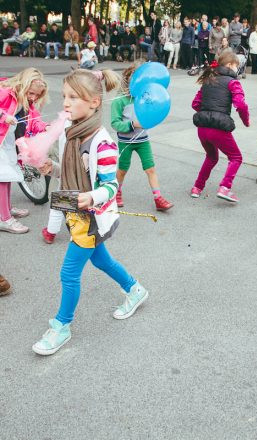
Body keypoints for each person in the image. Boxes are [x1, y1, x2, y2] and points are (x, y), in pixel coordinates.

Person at [32, 69, 148, 356]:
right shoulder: (68, 134)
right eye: (64, 97)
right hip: (74, 210)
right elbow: (71, 175)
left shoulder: (102, 141)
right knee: (102, 261)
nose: (66, 103)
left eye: (74, 97)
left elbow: (109, 186)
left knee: (69, 273)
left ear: (95, 102)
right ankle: (135, 290)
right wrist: (52, 168)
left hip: (92, 217)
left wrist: (90, 197)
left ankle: (62, 326)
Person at [111, 64, 173, 211]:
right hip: (125, 141)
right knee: (122, 170)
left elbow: (153, 112)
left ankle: (158, 198)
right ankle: (116, 192)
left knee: (150, 169)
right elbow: (115, 123)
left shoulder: (147, 97)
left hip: (143, 141)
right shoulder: (119, 101)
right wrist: (132, 124)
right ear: (128, 81)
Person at [191, 50, 250, 202]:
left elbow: (195, 104)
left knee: (211, 157)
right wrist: (246, 121)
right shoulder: (233, 82)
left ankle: (197, 187)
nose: (238, 69)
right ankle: (225, 187)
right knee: (236, 157)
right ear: (230, 65)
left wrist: (207, 113)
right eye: (237, 66)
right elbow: (241, 105)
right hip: (218, 127)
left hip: (202, 128)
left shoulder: (208, 80)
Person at [0, 69, 48, 234]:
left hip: (8, 141)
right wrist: (3, 116)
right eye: (31, 93)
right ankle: (4, 219)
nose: (33, 97)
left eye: (37, 95)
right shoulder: (5, 91)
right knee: (3, 177)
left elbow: (34, 122)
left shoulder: (27, 102)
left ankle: (5, 208)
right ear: (23, 84)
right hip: (1, 141)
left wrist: (46, 127)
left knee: (8, 176)